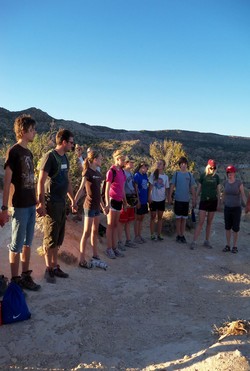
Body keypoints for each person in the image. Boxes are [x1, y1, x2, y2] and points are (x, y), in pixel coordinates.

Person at [2, 114, 41, 290]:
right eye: (32, 130)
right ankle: (15, 280)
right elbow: (7, 182)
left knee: (27, 243)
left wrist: (38, 201)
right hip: (19, 205)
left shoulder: (29, 153)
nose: (35, 133)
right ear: (23, 131)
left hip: (31, 203)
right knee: (16, 244)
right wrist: (4, 208)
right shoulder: (14, 151)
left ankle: (25, 276)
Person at [37, 129, 75, 283]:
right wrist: (41, 202)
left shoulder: (65, 158)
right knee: (50, 236)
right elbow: (40, 181)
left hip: (62, 201)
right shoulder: (50, 157)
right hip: (51, 201)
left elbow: (67, 180)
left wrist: (72, 199)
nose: (72, 145)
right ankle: (48, 269)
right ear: (64, 142)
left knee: (58, 236)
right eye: (71, 142)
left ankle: (55, 265)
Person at [74, 150, 107, 268]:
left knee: (95, 231)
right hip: (89, 206)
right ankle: (81, 259)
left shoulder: (98, 174)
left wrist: (103, 205)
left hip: (97, 207)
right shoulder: (87, 172)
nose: (102, 160)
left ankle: (95, 255)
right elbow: (81, 189)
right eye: (100, 158)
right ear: (94, 160)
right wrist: (74, 202)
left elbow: (98, 192)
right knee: (86, 232)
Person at [190, 159, 220, 250]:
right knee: (201, 222)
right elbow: (199, 189)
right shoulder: (203, 176)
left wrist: (219, 202)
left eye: (214, 167)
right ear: (208, 166)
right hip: (203, 201)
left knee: (209, 222)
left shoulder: (217, 177)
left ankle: (207, 241)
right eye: (211, 167)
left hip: (213, 201)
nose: (212, 169)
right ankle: (194, 241)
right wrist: (195, 199)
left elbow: (218, 191)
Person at [105, 150, 127, 259]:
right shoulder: (111, 171)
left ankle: (114, 248)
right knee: (110, 225)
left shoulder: (122, 172)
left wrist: (125, 201)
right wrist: (107, 203)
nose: (124, 162)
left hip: (119, 201)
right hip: (112, 200)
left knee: (115, 225)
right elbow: (107, 189)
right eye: (122, 160)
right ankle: (109, 248)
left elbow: (122, 188)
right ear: (117, 159)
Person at [169, 156, 196, 244]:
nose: (183, 165)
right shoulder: (176, 174)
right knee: (178, 218)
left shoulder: (189, 175)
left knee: (184, 219)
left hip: (186, 200)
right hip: (178, 199)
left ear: (187, 165)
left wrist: (194, 199)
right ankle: (178, 235)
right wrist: (169, 196)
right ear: (179, 165)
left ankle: (182, 235)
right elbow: (172, 186)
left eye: (185, 164)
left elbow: (192, 188)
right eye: (182, 164)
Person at [222, 165, 247, 254]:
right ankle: (228, 245)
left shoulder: (238, 183)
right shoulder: (225, 183)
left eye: (231, 172)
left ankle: (235, 246)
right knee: (227, 227)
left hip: (236, 208)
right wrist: (221, 203)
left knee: (235, 228)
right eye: (228, 172)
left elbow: (243, 194)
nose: (230, 174)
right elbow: (224, 194)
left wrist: (247, 204)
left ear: (234, 173)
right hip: (227, 208)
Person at [117, 156, 137, 250]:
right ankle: (119, 241)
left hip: (131, 198)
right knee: (122, 221)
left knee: (128, 220)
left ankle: (128, 240)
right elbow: (122, 187)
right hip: (124, 198)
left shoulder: (131, 173)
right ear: (126, 163)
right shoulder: (123, 172)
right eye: (130, 162)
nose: (132, 164)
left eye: (133, 162)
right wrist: (124, 201)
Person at [148, 159, 169, 241]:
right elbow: (150, 187)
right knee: (153, 216)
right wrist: (149, 196)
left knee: (160, 217)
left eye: (161, 164)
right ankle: (152, 234)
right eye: (158, 163)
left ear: (164, 166)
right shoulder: (153, 174)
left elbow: (167, 188)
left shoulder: (166, 177)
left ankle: (159, 234)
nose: (159, 164)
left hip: (162, 199)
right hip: (153, 199)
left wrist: (168, 197)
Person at [133, 161, 149, 244]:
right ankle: (136, 236)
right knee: (137, 218)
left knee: (142, 218)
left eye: (146, 168)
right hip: (139, 200)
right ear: (140, 167)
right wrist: (137, 200)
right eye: (144, 168)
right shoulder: (137, 176)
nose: (145, 169)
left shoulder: (145, 175)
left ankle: (139, 235)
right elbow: (136, 189)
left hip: (144, 200)